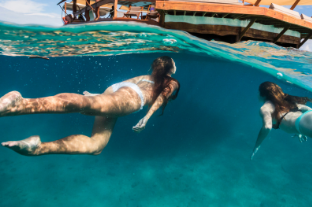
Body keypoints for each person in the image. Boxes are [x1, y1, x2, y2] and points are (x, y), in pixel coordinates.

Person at [0, 57, 179, 156]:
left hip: (121, 91)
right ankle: (21, 104)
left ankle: (38, 148)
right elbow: (161, 99)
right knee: (85, 104)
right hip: (131, 99)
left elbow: (120, 85)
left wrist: (100, 96)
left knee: (97, 146)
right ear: (170, 69)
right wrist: (146, 118)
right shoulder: (172, 83)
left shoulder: (144, 76)